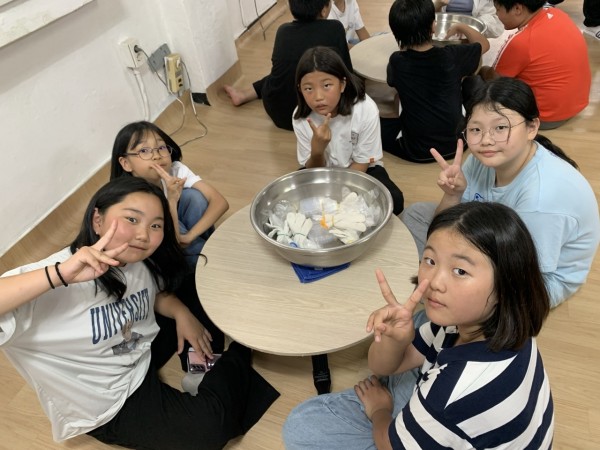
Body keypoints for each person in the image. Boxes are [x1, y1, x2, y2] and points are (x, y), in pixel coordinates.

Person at [0, 177, 279, 449]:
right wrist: (60, 274)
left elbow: (153, 294)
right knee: (209, 428)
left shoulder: (134, 258)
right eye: (132, 219)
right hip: (110, 402)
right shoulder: (50, 278)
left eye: (155, 225)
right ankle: (240, 350)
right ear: (97, 219)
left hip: (139, 350)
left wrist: (181, 312)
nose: (144, 235)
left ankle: (201, 366)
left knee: (196, 285)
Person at [283, 201, 554, 449]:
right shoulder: (491, 323)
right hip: (468, 420)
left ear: (507, 285)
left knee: (299, 427)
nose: (434, 281)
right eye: (430, 260)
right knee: (419, 324)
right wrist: (396, 340)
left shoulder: (450, 395)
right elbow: (382, 366)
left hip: (446, 410)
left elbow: (389, 444)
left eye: (460, 271)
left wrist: (380, 410)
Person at [401, 77, 600, 308]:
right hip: (491, 238)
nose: (486, 140)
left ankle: (436, 296)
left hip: (533, 281)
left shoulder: (541, 199)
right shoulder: (482, 160)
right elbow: (447, 224)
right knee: (416, 214)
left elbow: (521, 270)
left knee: (457, 282)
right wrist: (453, 194)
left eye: (501, 128)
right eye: (476, 129)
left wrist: (455, 263)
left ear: (532, 128)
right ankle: (438, 286)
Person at [293, 46, 405, 215]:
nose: (318, 97)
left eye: (327, 85)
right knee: (294, 201)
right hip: (320, 171)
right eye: (308, 88)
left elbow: (362, 162)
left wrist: (336, 197)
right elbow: (312, 170)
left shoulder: (365, 109)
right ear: (300, 89)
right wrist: (317, 151)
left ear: (342, 84)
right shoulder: (301, 117)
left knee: (394, 200)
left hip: (361, 169)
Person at [381, 0, 489, 163]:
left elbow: (392, 82)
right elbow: (484, 44)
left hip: (417, 151)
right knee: (473, 82)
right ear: (433, 26)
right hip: (457, 144)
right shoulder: (452, 56)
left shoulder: (397, 62)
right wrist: (461, 27)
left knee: (378, 124)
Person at [110, 121, 229, 269]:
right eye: (144, 150)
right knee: (175, 226)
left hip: (176, 233)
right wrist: (171, 201)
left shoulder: (174, 169)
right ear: (126, 163)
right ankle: (204, 264)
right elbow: (174, 239)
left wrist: (190, 236)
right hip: (156, 246)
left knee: (194, 198)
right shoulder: (132, 196)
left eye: (161, 147)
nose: (156, 155)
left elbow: (220, 202)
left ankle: (208, 248)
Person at [224, 0, 352, 131]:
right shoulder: (335, 28)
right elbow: (347, 72)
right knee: (324, 75)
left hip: (278, 112)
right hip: (317, 115)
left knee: (283, 73)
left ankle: (244, 95)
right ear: (324, 10)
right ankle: (244, 94)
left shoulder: (283, 31)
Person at [478, 0, 591, 129]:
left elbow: (493, 79)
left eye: (498, 10)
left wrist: (481, 69)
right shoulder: (558, 14)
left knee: (476, 85)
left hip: (543, 116)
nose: (497, 15)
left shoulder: (521, 41)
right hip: (574, 106)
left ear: (517, 9)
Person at [432, 0, 504, 37]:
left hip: (469, 40)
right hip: (441, 37)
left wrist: (468, 28)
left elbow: (495, 25)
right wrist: (437, 5)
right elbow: (427, 16)